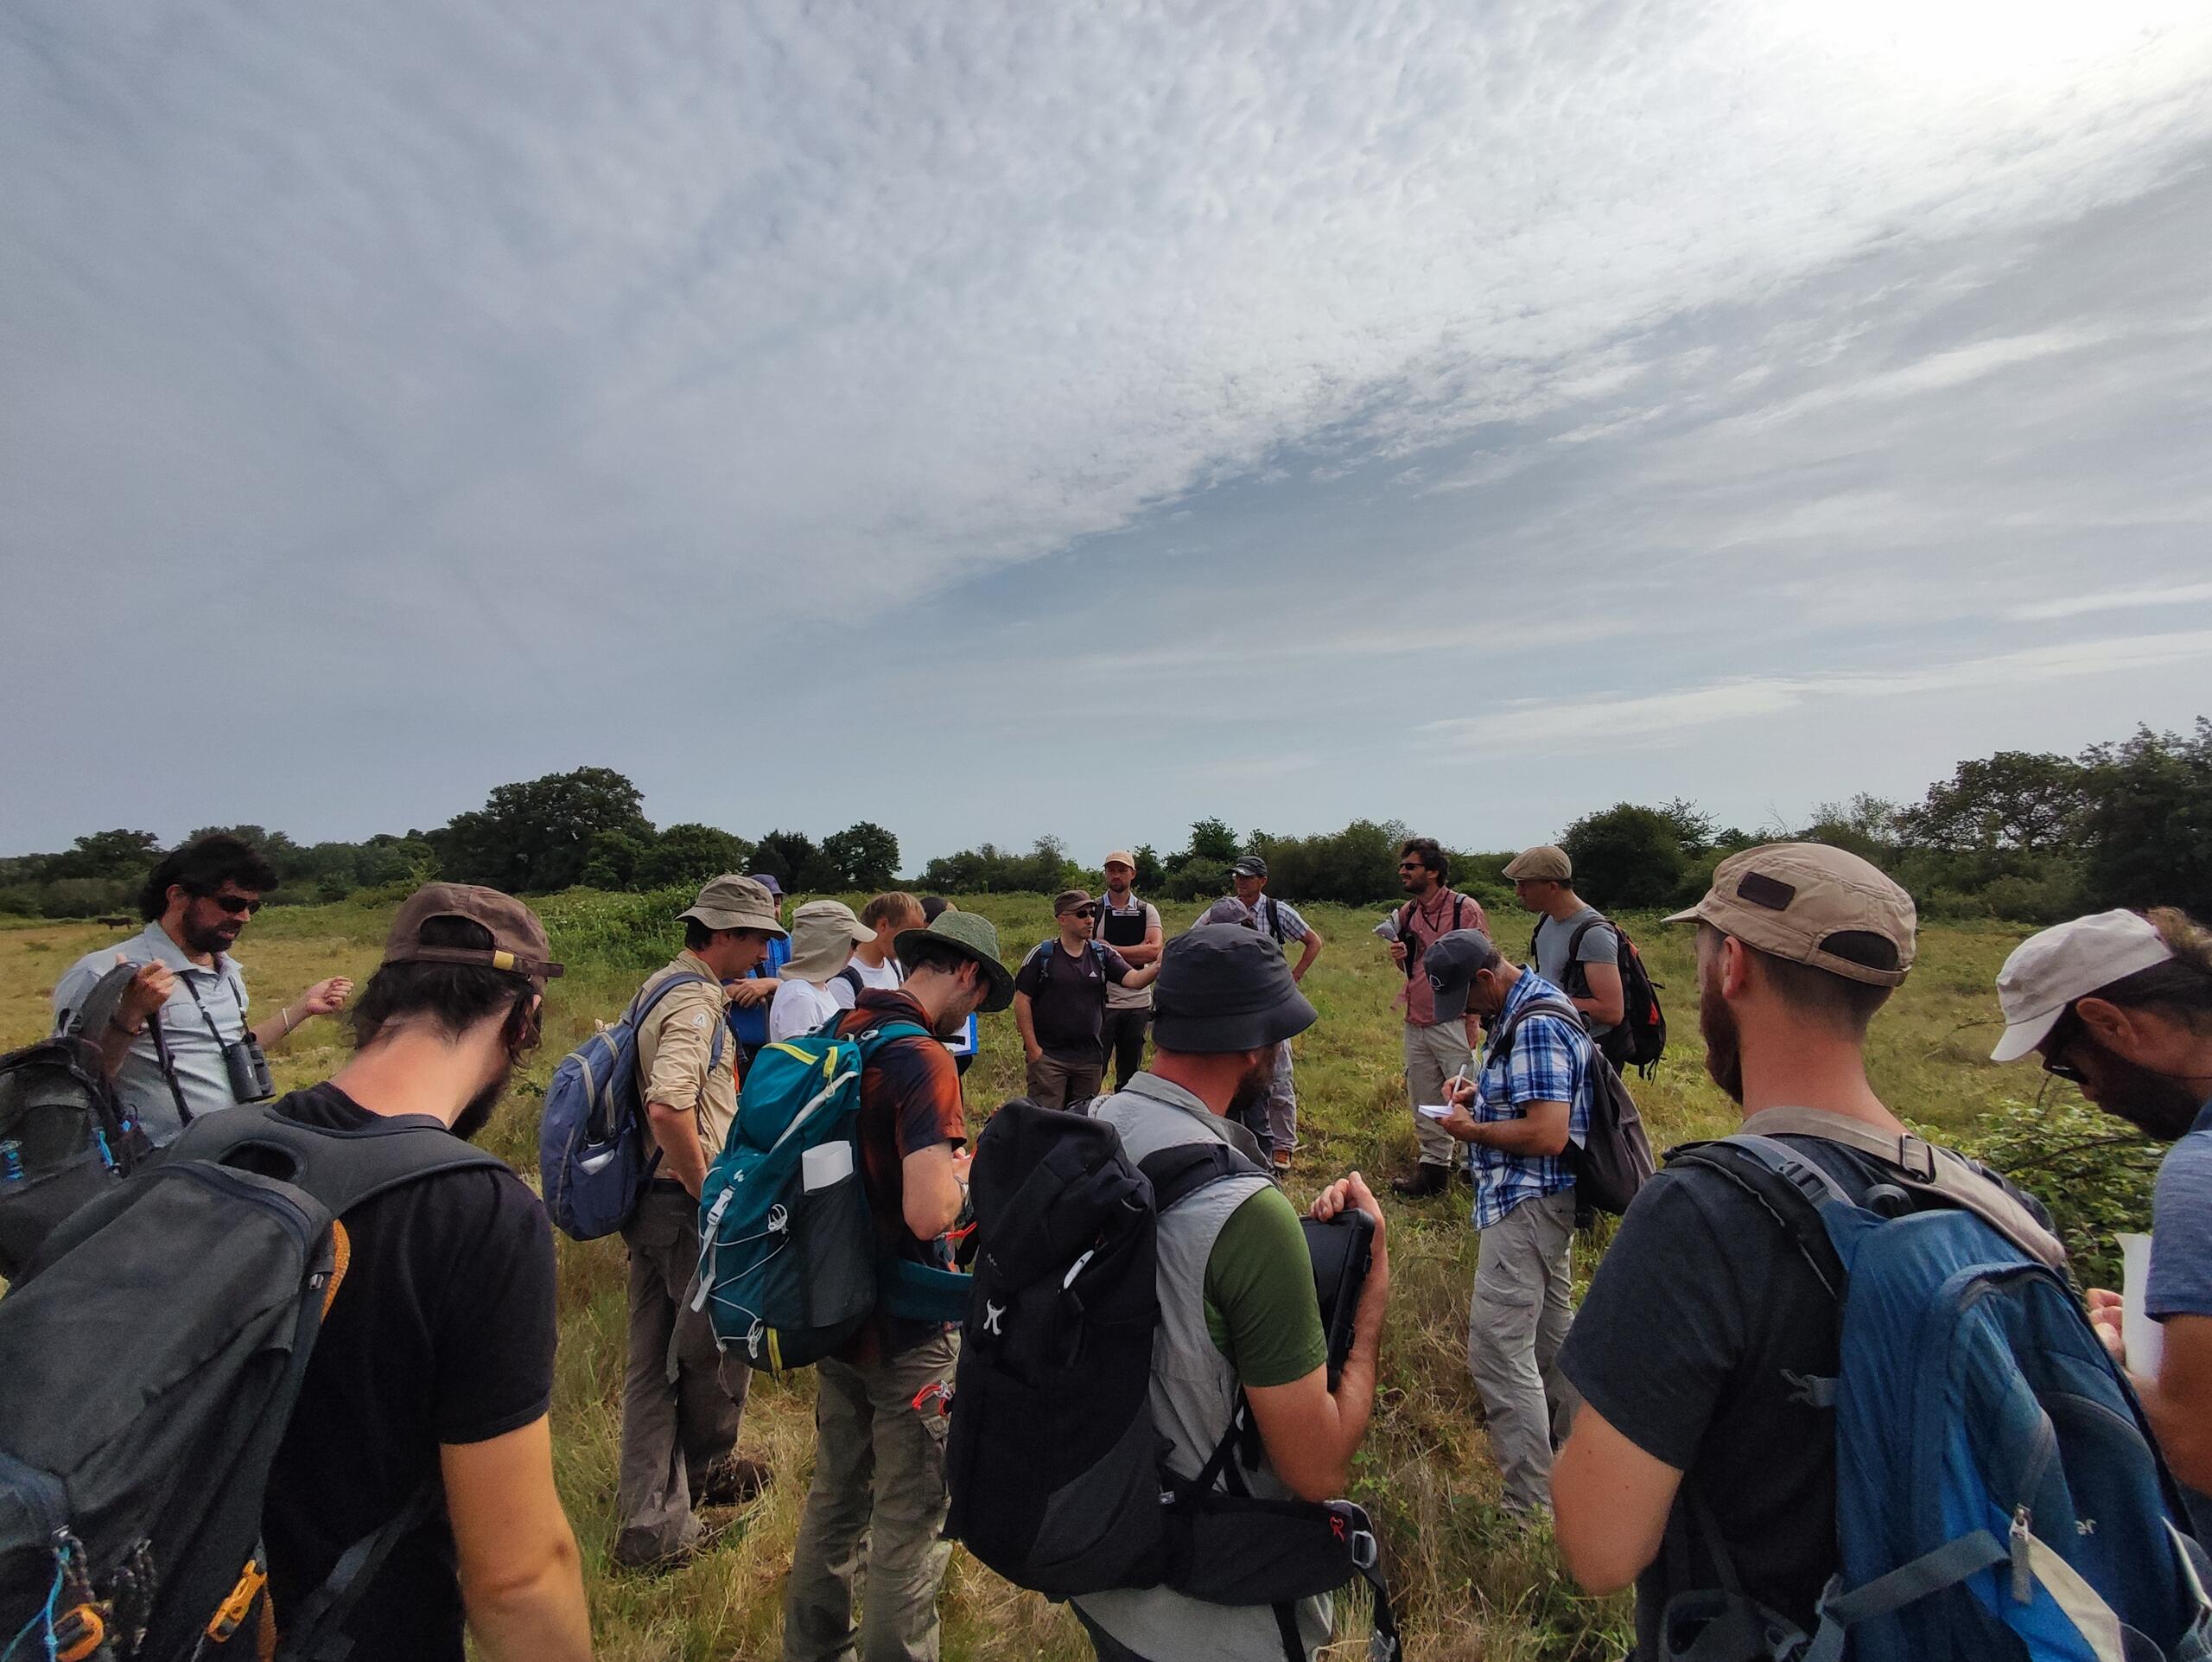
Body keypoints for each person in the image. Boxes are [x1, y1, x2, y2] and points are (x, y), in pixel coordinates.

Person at [1549, 844, 2049, 1654]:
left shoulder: (1698, 1213)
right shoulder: (2004, 1210)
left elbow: (1599, 1550)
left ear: (1734, 966)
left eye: (1703, 961)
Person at [261, 882, 590, 1662]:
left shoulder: (217, 1144)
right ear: (524, 1020)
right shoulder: (476, 1211)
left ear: (381, 998)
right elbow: (516, 1576)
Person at [1070, 925, 1391, 1662]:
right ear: (1253, 1043)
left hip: (1099, 1557)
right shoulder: (1247, 1214)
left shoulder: (1086, 1128)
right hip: (1211, 1609)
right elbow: (1317, 1468)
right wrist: (1369, 1307)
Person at [784, 909, 1013, 1662]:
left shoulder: (842, 1029)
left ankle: (814, 1649)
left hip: (835, 1304)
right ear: (968, 973)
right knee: (910, 1523)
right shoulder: (924, 1059)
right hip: (909, 1326)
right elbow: (926, 1211)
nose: (971, 1014)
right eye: (979, 999)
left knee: (835, 1499)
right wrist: (966, 1179)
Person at [1991, 907, 2212, 1518]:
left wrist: (2096, 1364)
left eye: (2070, 1066)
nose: (2089, 1093)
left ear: (2108, 1022)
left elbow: (2201, 1445)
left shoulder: (2200, 1171)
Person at [616, 873, 787, 1569]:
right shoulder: (693, 1001)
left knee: (654, 1361)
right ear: (722, 934)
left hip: (651, 1200)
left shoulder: (661, 984)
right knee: (713, 1349)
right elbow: (668, 1105)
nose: (763, 953)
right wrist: (708, 1191)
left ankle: (661, 1508)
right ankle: (667, 1516)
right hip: (683, 1205)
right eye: (756, 938)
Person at [1425, 929, 1592, 1517]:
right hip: (1541, 1203)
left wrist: (1471, 1130)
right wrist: (1481, 1094)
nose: (1466, 1014)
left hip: (1526, 1202)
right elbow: (1537, 1100)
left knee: (1498, 1348)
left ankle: (1528, 1504)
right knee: (1551, 1335)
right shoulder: (1528, 1004)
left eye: (1468, 1001)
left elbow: (1547, 1132)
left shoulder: (1536, 1023)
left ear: (1486, 978)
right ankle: (1579, 1462)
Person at [53, 834, 355, 1146]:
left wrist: (303, 1008)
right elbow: (72, 1084)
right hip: (154, 1161)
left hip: (230, 1148)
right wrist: (130, 1015)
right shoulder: (105, 972)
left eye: (253, 907)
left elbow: (229, 1050)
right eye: (231, 904)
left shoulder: (226, 970)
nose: (244, 918)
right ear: (178, 897)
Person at [1199, 855, 1324, 1171]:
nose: (1240, 882)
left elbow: (1313, 942)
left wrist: (1293, 978)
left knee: (1278, 1077)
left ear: (1263, 881)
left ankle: (1282, 1146)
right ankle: (1240, 1143)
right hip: (1236, 1007)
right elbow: (1194, 938)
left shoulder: (1276, 911)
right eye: (1237, 876)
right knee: (1241, 1076)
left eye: (1247, 876)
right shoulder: (1221, 911)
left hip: (1272, 1004)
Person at [1386, 836, 1488, 1197]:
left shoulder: (1464, 909)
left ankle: (1475, 1167)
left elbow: (1482, 965)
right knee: (1423, 1095)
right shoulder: (1406, 913)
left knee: (1465, 1092)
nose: (1403, 871)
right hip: (1416, 1018)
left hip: (1454, 1017)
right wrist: (1400, 956)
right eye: (1402, 865)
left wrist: (1473, 1018)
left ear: (1433, 871)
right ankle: (1433, 1169)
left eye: (1410, 866)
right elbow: (1412, 968)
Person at [1012, 889, 1160, 1110]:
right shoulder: (1042, 955)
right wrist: (1034, 1050)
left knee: (1081, 1122)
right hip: (1050, 1058)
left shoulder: (1102, 954)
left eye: (1092, 913)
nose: (1090, 919)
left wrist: (1158, 966)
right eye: (1081, 914)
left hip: (1089, 1059)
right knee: (1047, 1120)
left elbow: (1134, 980)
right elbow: (1022, 1000)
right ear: (1062, 919)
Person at [1503, 845, 1625, 1046]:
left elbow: (1611, 1012)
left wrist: (1537, 1001)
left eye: (1524, 885)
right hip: (1556, 1036)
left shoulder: (1594, 934)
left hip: (1588, 1046)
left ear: (1552, 887)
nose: (1518, 892)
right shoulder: (1546, 919)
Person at [1094, 851, 1164, 1093]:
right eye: (1111, 870)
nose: (1116, 875)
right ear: (1105, 874)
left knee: (1130, 1076)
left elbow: (1153, 951)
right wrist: (1137, 951)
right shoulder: (1092, 910)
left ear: (1133, 874)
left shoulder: (1147, 910)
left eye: (1122, 870)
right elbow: (1088, 951)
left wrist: (1108, 949)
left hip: (1137, 1004)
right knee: (1093, 1072)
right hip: (1101, 1003)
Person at [771, 900, 877, 1042]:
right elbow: (802, 1055)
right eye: (853, 943)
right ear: (831, 944)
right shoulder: (800, 997)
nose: (855, 950)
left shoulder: (815, 987)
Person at [724, 874, 789, 1069]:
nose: (774, 911)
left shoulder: (784, 940)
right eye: (768, 904)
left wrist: (771, 984)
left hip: (772, 1043)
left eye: (777, 904)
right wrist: (733, 992)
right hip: (735, 1043)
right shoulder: (734, 940)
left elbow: (799, 983)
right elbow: (705, 986)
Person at [832, 892, 927, 1007]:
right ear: (883, 925)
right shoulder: (843, 981)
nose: (911, 944)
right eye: (907, 934)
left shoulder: (895, 966)